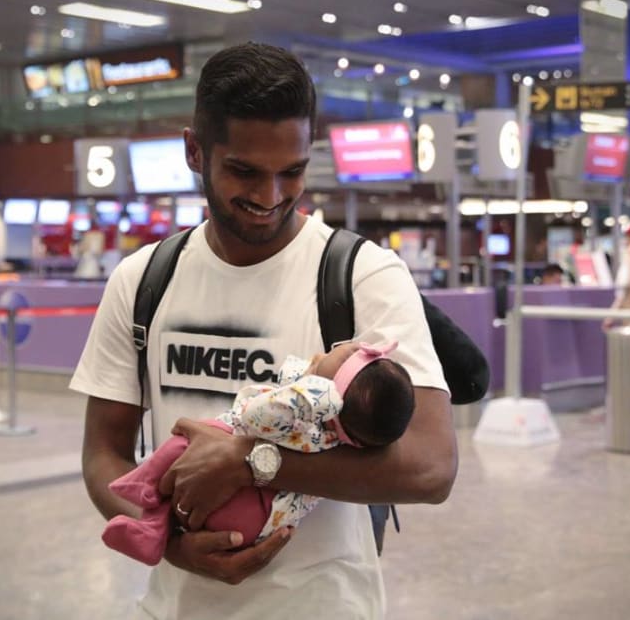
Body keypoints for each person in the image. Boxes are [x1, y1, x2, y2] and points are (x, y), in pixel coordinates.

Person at [71, 41, 457, 619]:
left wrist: (251, 460)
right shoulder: (142, 279)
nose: (269, 197)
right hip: (176, 607)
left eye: (292, 172)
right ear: (195, 151)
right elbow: (104, 452)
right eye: (245, 172)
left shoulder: (361, 275)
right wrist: (172, 547)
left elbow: (431, 467)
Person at [102, 341, 415, 566]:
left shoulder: (306, 414)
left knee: (189, 440)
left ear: (332, 393)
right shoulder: (339, 445)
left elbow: (254, 416)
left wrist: (308, 391)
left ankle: (144, 488)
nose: (341, 346)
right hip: (256, 523)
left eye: (345, 356)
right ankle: (154, 531)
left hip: (245, 503)